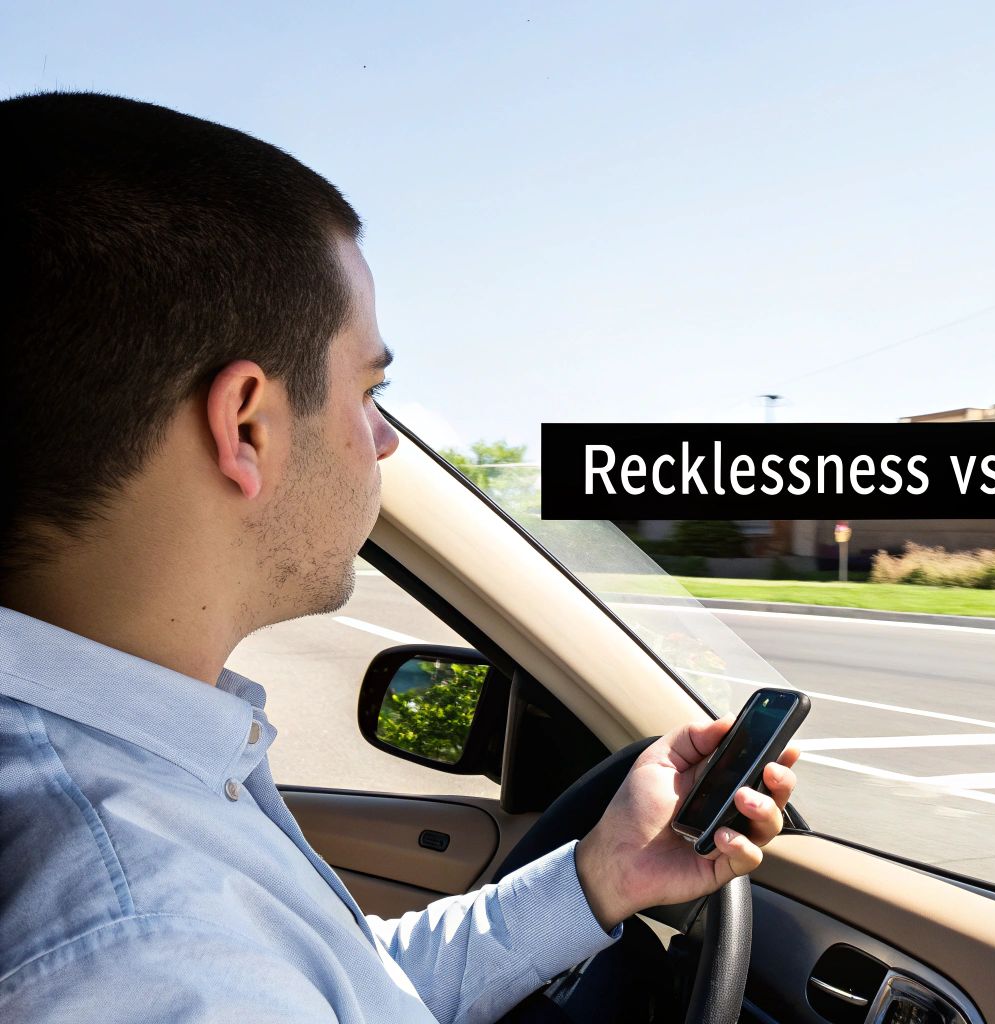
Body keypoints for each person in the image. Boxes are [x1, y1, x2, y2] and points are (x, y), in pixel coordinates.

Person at [0, 90, 799, 1023]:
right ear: (248, 424)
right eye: (370, 390)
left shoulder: (145, 790)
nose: (382, 441)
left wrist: (599, 877)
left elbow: (354, 986)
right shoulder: (155, 959)